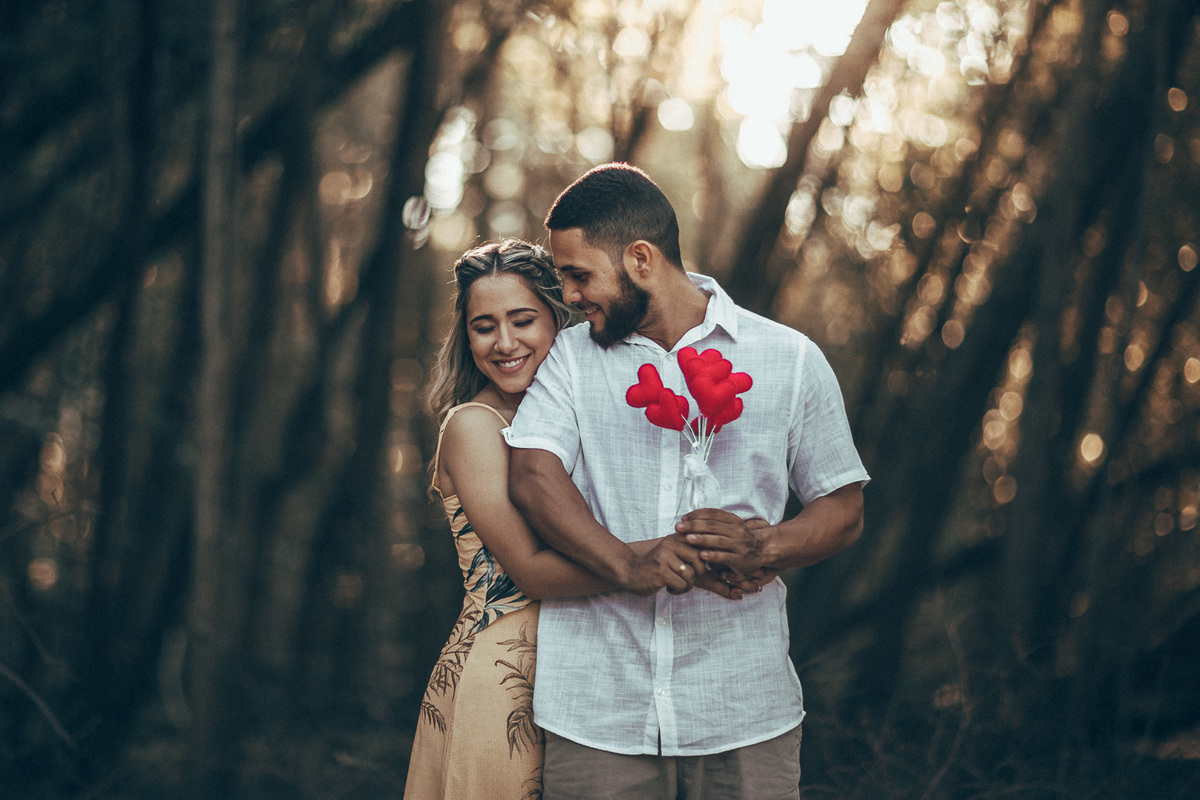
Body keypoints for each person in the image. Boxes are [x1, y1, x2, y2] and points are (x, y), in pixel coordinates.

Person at [505, 163, 871, 800]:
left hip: (744, 714)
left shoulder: (789, 359)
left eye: (578, 274)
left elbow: (843, 507)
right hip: (597, 717)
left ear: (640, 259)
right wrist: (625, 564)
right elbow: (534, 472)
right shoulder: (571, 359)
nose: (567, 295)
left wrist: (767, 546)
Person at [404, 239, 751, 800]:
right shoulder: (474, 427)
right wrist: (666, 560)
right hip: (506, 672)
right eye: (484, 326)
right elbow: (530, 572)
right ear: (465, 338)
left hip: (596, 667)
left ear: (558, 321)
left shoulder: (583, 411)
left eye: (522, 321)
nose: (506, 342)